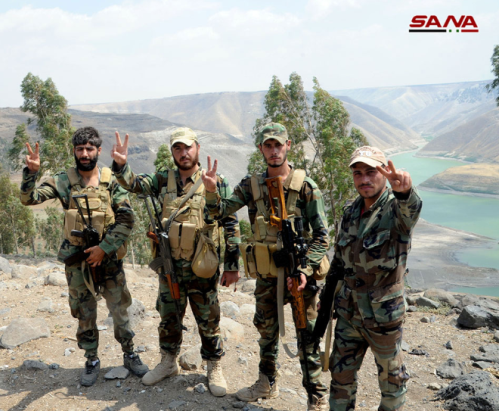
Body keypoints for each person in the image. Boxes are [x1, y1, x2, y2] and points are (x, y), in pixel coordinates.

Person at [202, 122, 330, 410]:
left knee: (306, 335)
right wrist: (211, 192)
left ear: (288, 145)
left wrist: (304, 270)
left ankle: (317, 397)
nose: (273, 151)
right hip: (268, 275)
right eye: (267, 145)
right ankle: (266, 383)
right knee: (266, 331)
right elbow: (219, 212)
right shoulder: (251, 184)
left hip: (299, 276)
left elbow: (323, 237)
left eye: (278, 145)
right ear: (261, 149)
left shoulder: (306, 187)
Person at [110, 127, 241, 397]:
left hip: (203, 265)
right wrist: (122, 166)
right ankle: (169, 362)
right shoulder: (163, 178)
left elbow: (230, 223)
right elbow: (135, 184)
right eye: (177, 148)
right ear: (172, 152)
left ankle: (213, 366)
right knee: (168, 316)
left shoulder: (215, 180)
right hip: (170, 265)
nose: (183, 153)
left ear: (197, 148)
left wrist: (231, 266)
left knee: (208, 319)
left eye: (188, 147)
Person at [20, 126, 149, 387]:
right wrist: (31, 174)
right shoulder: (63, 181)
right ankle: (91, 359)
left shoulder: (111, 180)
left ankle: (129, 353)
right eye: (80, 149)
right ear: (74, 152)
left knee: (120, 309)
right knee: (84, 311)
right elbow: (29, 199)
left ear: (99, 151)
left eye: (90, 148)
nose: (85, 153)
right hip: (78, 261)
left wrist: (105, 248)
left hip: (109, 259)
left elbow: (126, 218)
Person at [321, 146, 421, 411]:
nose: (364, 179)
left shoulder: (395, 209)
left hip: (383, 318)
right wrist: (328, 298)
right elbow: (341, 261)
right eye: (357, 173)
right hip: (348, 313)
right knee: (340, 378)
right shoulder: (350, 211)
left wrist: (405, 192)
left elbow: (411, 209)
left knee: (392, 383)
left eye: (371, 172)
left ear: (383, 174)